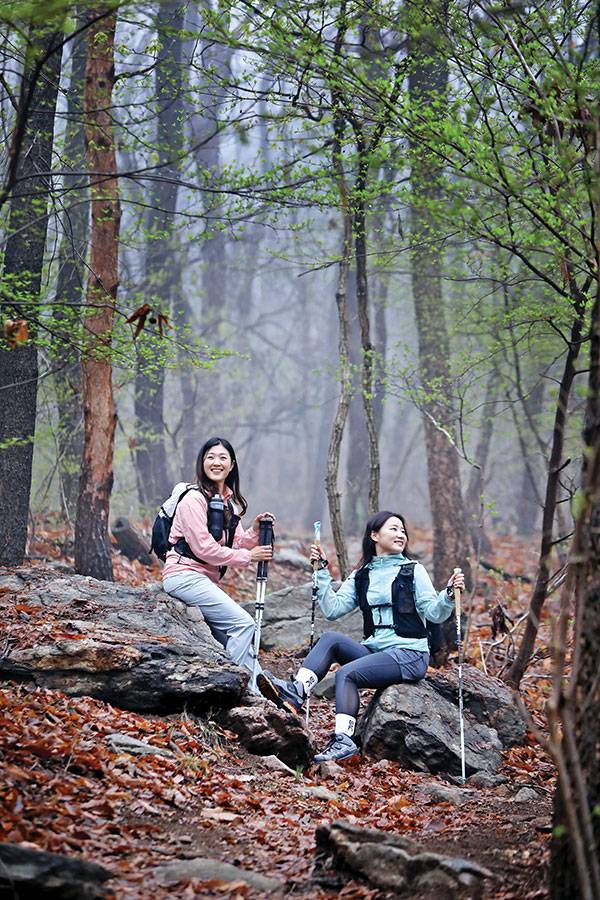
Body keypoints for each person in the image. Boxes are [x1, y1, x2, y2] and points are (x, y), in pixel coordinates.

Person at [258, 510, 465, 763]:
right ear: (374, 535)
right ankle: (297, 692)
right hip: (376, 652)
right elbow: (333, 609)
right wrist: (321, 571)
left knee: (347, 674)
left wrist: (449, 595)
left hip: (409, 654)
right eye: (394, 529)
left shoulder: (414, 571)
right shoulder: (362, 574)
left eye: (402, 530)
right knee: (331, 639)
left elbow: (434, 613)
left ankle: (343, 740)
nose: (401, 534)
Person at [162, 437, 274, 681]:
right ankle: (230, 686)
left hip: (203, 581)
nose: (216, 462)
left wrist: (254, 532)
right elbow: (204, 549)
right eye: (210, 457)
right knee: (244, 625)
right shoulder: (193, 500)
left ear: (232, 465)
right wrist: (248, 556)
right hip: (183, 576)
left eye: (222, 458)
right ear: (202, 463)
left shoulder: (228, 504)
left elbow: (234, 543)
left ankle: (261, 692)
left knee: (235, 642)